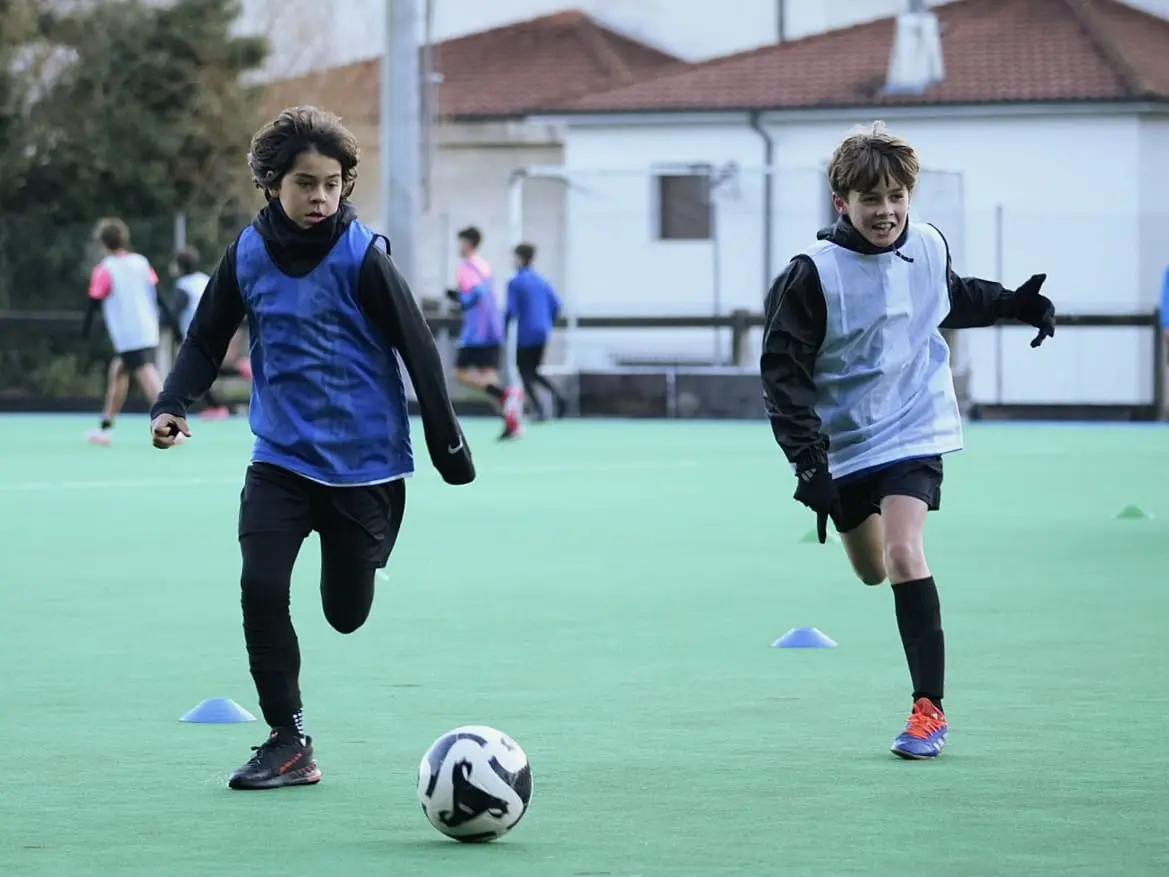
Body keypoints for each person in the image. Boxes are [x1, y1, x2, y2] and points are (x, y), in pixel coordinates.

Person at [148, 105, 476, 790]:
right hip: (280, 459)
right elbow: (207, 337)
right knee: (260, 585)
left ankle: (357, 574)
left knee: (345, 615)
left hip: (364, 468)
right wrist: (171, 402)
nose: (320, 197)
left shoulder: (363, 257)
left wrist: (448, 445)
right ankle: (288, 740)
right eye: (305, 183)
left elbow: (418, 347)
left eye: (332, 183)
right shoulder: (246, 255)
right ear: (272, 183)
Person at [759, 121, 1055, 760]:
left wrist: (1015, 304)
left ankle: (929, 711)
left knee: (902, 551)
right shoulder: (812, 276)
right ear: (841, 202)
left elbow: (949, 296)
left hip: (916, 423)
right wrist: (809, 465)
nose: (886, 211)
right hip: (844, 443)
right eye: (870, 199)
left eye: (897, 197)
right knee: (872, 571)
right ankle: (854, 521)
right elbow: (783, 377)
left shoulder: (926, 244)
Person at [82, 217, 176, 446]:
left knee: (148, 377)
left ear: (103, 243)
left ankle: (173, 428)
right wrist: (172, 322)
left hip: (127, 334)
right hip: (148, 328)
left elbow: (94, 302)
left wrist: (85, 330)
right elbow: (158, 294)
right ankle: (105, 428)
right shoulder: (141, 262)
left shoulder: (105, 269)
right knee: (119, 372)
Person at [445, 226, 521, 440]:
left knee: (459, 373)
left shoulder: (466, 267)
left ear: (468, 243)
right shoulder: (484, 265)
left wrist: (458, 298)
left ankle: (506, 394)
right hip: (493, 329)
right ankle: (511, 424)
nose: (459, 247)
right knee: (489, 378)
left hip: (477, 331)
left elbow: (474, 295)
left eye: (461, 242)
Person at [505, 243, 567, 420]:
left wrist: (503, 331)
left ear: (519, 258)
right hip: (543, 331)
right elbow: (557, 304)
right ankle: (557, 395)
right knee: (533, 370)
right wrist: (547, 322)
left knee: (524, 372)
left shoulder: (516, 282)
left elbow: (511, 311)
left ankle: (539, 409)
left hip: (526, 333)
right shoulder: (542, 280)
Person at [171, 246, 231, 419]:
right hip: (215, 329)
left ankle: (216, 406)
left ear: (179, 266)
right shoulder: (204, 279)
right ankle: (215, 405)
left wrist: (165, 323)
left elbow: (175, 312)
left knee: (192, 371)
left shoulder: (183, 285)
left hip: (196, 335)